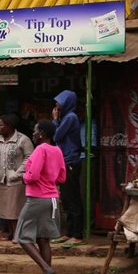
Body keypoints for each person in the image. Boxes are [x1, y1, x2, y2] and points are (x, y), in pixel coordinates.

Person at [16, 118, 66, 274]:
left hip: (37, 199)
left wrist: (24, 177)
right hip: (52, 199)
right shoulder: (57, 150)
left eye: (35, 130)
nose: (33, 133)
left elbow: (33, 176)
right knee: (43, 239)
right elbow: (62, 178)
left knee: (22, 237)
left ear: (42, 134)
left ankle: (46, 269)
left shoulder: (40, 150)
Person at [0, 114, 34, 241]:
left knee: (15, 209)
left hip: (16, 182)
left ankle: (18, 234)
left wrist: (17, 173)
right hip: (1, 180)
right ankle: (11, 232)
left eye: (1, 125)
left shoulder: (23, 140)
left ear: (9, 126)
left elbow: (29, 158)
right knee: (5, 210)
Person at [52, 90, 84, 245]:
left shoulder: (70, 117)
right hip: (64, 161)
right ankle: (69, 232)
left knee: (73, 198)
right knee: (66, 198)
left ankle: (77, 234)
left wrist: (54, 120)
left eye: (59, 102)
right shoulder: (66, 117)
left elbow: (56, 136)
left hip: (71, 161)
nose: (56, 105)